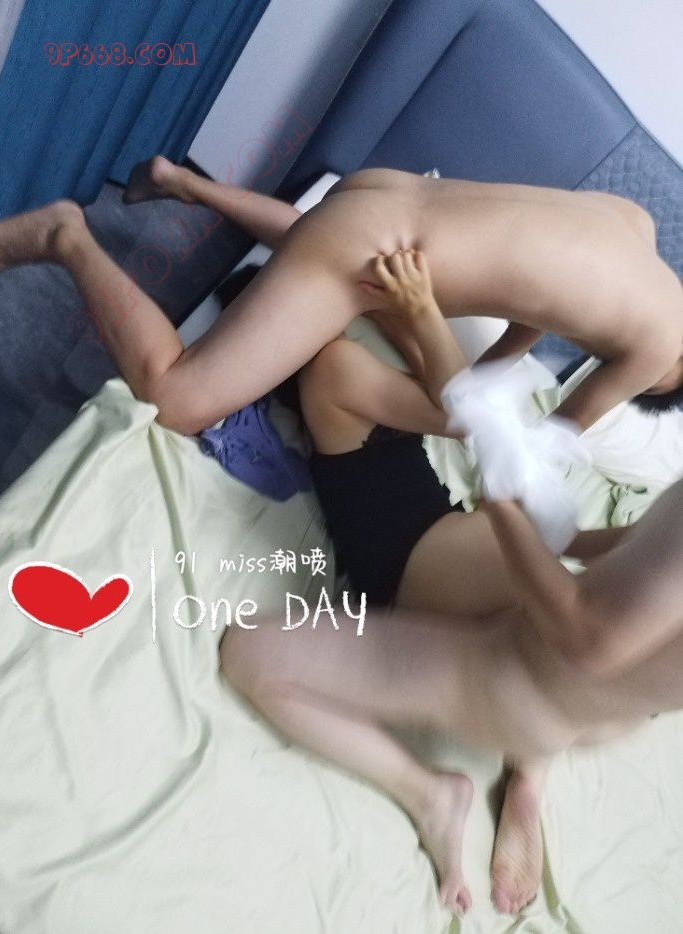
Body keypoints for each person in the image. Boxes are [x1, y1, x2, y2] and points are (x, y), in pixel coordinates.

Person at [221, 248, 635, 916]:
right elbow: (469, 418)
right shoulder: (334, 368)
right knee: (558, 612)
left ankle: (522, 773)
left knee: (559, 604)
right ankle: (504, 776)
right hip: (418, 558)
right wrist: (445, 320)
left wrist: (498, 329)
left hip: (441, 551)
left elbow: (459, 390)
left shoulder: (349, 363)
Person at [0, 159, 681, 435]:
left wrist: (484, 369)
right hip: (366, 248)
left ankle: (183, 183)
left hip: (383, 189)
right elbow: (544, 449)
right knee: (177, 402)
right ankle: (63, 237)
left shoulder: (638, 226)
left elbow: (540, 303)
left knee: (327, 256)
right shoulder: (657, 354)